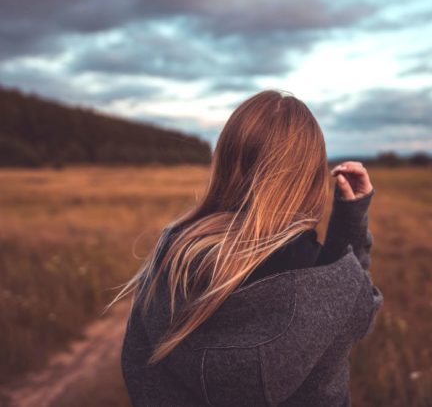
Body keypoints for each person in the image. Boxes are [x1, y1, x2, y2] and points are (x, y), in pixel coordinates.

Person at [109, 90, 383, 406]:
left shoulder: (174, 255)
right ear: (307, 177)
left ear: (226, 162)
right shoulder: (328, 282)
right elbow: (357, 309)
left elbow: (139, 369)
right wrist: (351, 220)